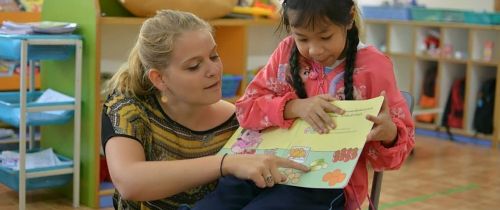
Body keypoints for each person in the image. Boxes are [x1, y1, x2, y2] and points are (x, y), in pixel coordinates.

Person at [193, 0, 415, 209]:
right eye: (303, 39)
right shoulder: (285, 53)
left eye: (325, 37)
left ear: (349, 18)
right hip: (268, 165)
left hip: (327, 183)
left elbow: (395, 157)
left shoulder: (374, 67)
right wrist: (294, 107)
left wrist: (389, 135)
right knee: (226, 194)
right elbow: (245, 110)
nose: (315, 50)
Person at [100, 10, 309, 210]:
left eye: (214, 56)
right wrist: (226, 164)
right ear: (159, 78)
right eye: (193, 66)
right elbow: (129, 182)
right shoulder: (128, 109)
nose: (213, 71)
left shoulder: (238, 121)